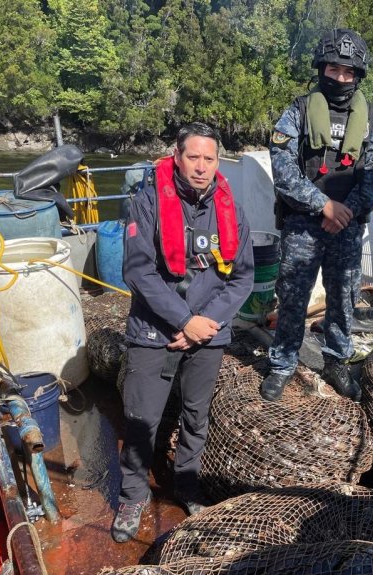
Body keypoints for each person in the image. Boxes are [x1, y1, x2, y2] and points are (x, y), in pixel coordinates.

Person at [112, 123, 254, 543]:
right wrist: (181, 321)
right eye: (193, 157)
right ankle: (133, 495)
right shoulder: (147, 202)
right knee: (141, 419)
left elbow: (242, 278)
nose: (201, 167)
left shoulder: (233, 209)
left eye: (209, 159)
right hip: (153, 331)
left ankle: (186, 485)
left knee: (196, 416)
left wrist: (202, 326)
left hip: (208, 332)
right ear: (176, 156)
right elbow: (137, 271)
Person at [260, 29, 373, 402]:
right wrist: (323, 205)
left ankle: (336, 359)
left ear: (358, 76)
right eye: (334, 69)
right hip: (303, 224)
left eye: (349, 72)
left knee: (344, 297)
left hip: (347, 225)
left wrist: (344, 211)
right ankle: (282, 363)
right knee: (292, 296)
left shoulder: (370, 123)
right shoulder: (297, 112)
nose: (341, 78)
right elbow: (283, 168)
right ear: (321, 68)